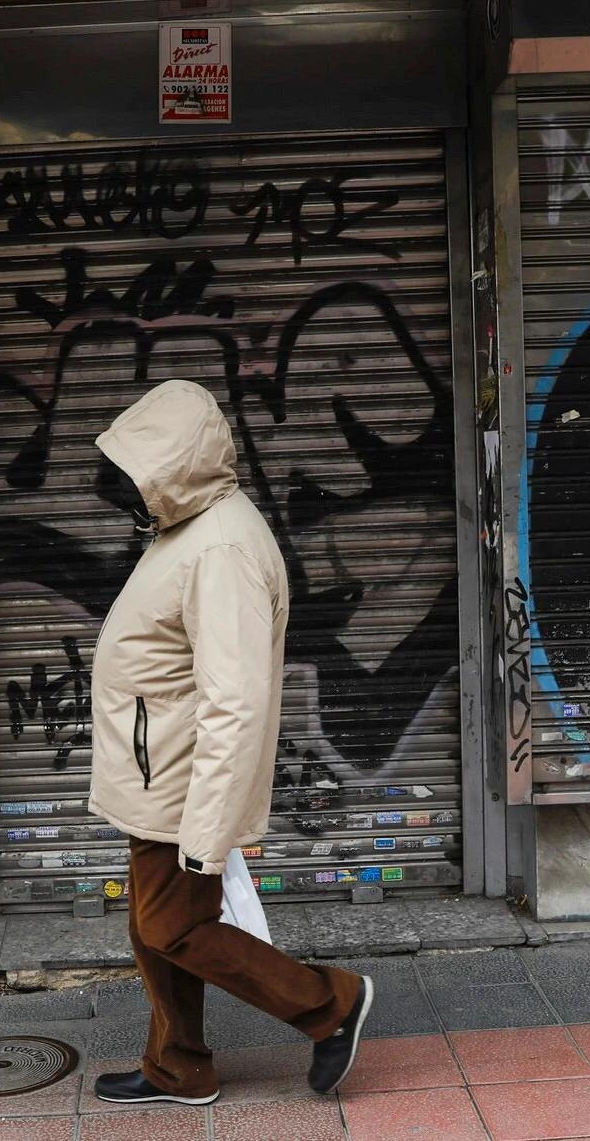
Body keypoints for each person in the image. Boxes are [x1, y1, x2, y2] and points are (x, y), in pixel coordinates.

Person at [83, 379, 373, 1106]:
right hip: (160, 770)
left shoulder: (221, 548)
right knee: (154, 928)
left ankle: (329, 1005)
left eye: (136, 474)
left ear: (174, 465)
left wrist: (207, 831)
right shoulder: (188, 526)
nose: (123, 490)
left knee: (175, 925)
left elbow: (237, 701)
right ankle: (177, 1066)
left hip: (182, 781)